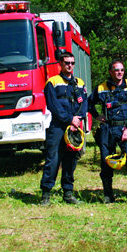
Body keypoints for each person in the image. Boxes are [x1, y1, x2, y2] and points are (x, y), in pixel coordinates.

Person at [88, 60, 127, 205]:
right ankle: (108, 195)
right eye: (116, 70)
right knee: (106, 161)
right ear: (110, 72)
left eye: (122, 70)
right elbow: (89, 103)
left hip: (126, 128)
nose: (120, 73)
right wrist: (96, 115)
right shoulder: (101, 88)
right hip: (107, 129)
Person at [40, 52, 88, 205]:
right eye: (67, 62)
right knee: (53, 160)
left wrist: (78, 119)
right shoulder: (52, 82)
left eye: (72, 63)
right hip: (58, 127)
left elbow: (84, 103)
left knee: (71, 161)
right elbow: (53, 106)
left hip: (74, 127)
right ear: (60, 64)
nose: (70, 66)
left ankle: (68, 193)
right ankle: (46, 194)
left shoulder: (79, 83)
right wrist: (70, 119)